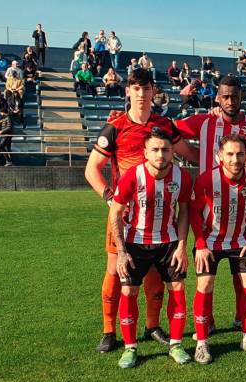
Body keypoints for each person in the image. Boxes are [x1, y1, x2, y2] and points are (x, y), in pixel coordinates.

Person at [84, 68, 194, 354]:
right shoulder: (116, 127)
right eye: (136, 89)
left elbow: (190, 154)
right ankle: (109, 330)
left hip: (160, 217)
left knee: (156, 276)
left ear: (153, 92)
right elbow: (92, 169)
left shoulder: (164, 126)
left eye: (146, 89)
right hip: (125, 218)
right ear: (128, 92)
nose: (142, 95)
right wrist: (110, 198)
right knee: (115, 270)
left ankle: (152, 325)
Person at [109, 127, 192, 368]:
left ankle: (176, 344)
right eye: (155, 149)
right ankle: (130, 348)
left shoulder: (182, 177)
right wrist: (122, 251)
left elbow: (184, 211)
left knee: (177, 288)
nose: (160, 154)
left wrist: (182, 246)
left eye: (165, 149)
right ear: (145, 152)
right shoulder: (132, 176)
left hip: (169, 242)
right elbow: (115, 213)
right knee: (129, 292)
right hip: (135, 243)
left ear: (172, 152)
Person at [189, 134, 246, 359]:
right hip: (210, 242)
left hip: (241, 241)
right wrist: (201, 244)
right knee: (205, 284)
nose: (235, 159)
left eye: (240, 154)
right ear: (219, 156)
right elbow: (194, 211)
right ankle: (202, 342)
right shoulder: (206, 180)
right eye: (230, 154)